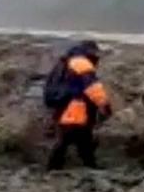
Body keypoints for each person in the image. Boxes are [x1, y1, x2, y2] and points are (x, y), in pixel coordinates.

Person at [47, 40, 112, 170]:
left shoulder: (66, 61)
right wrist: (104, 105)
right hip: (76, 109)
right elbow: (93, 87)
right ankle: (57, 167)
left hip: (65, 107)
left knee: (78, 140)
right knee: (73, 139)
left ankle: (86, 165)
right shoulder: (82, 63)